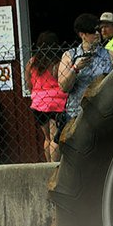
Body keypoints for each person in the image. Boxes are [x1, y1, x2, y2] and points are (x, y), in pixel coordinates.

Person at [58, 13, 113, 122]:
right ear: (82, 35)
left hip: (104, 111)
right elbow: (63, 87)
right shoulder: (70, 56)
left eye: (99, 30)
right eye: (93, 31)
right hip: (77, 115)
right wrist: (75, 68)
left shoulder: (110, 55)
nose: (98, 34)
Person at [23, 31, 67, 161]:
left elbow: (29, 83)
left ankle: (47, 166)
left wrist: (36, 93)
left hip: (38, 103)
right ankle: (55, 165)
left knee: (47, 138)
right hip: (56, 103)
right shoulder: (56, 62)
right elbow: (62, 81)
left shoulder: (32, 62)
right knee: (55, 137)